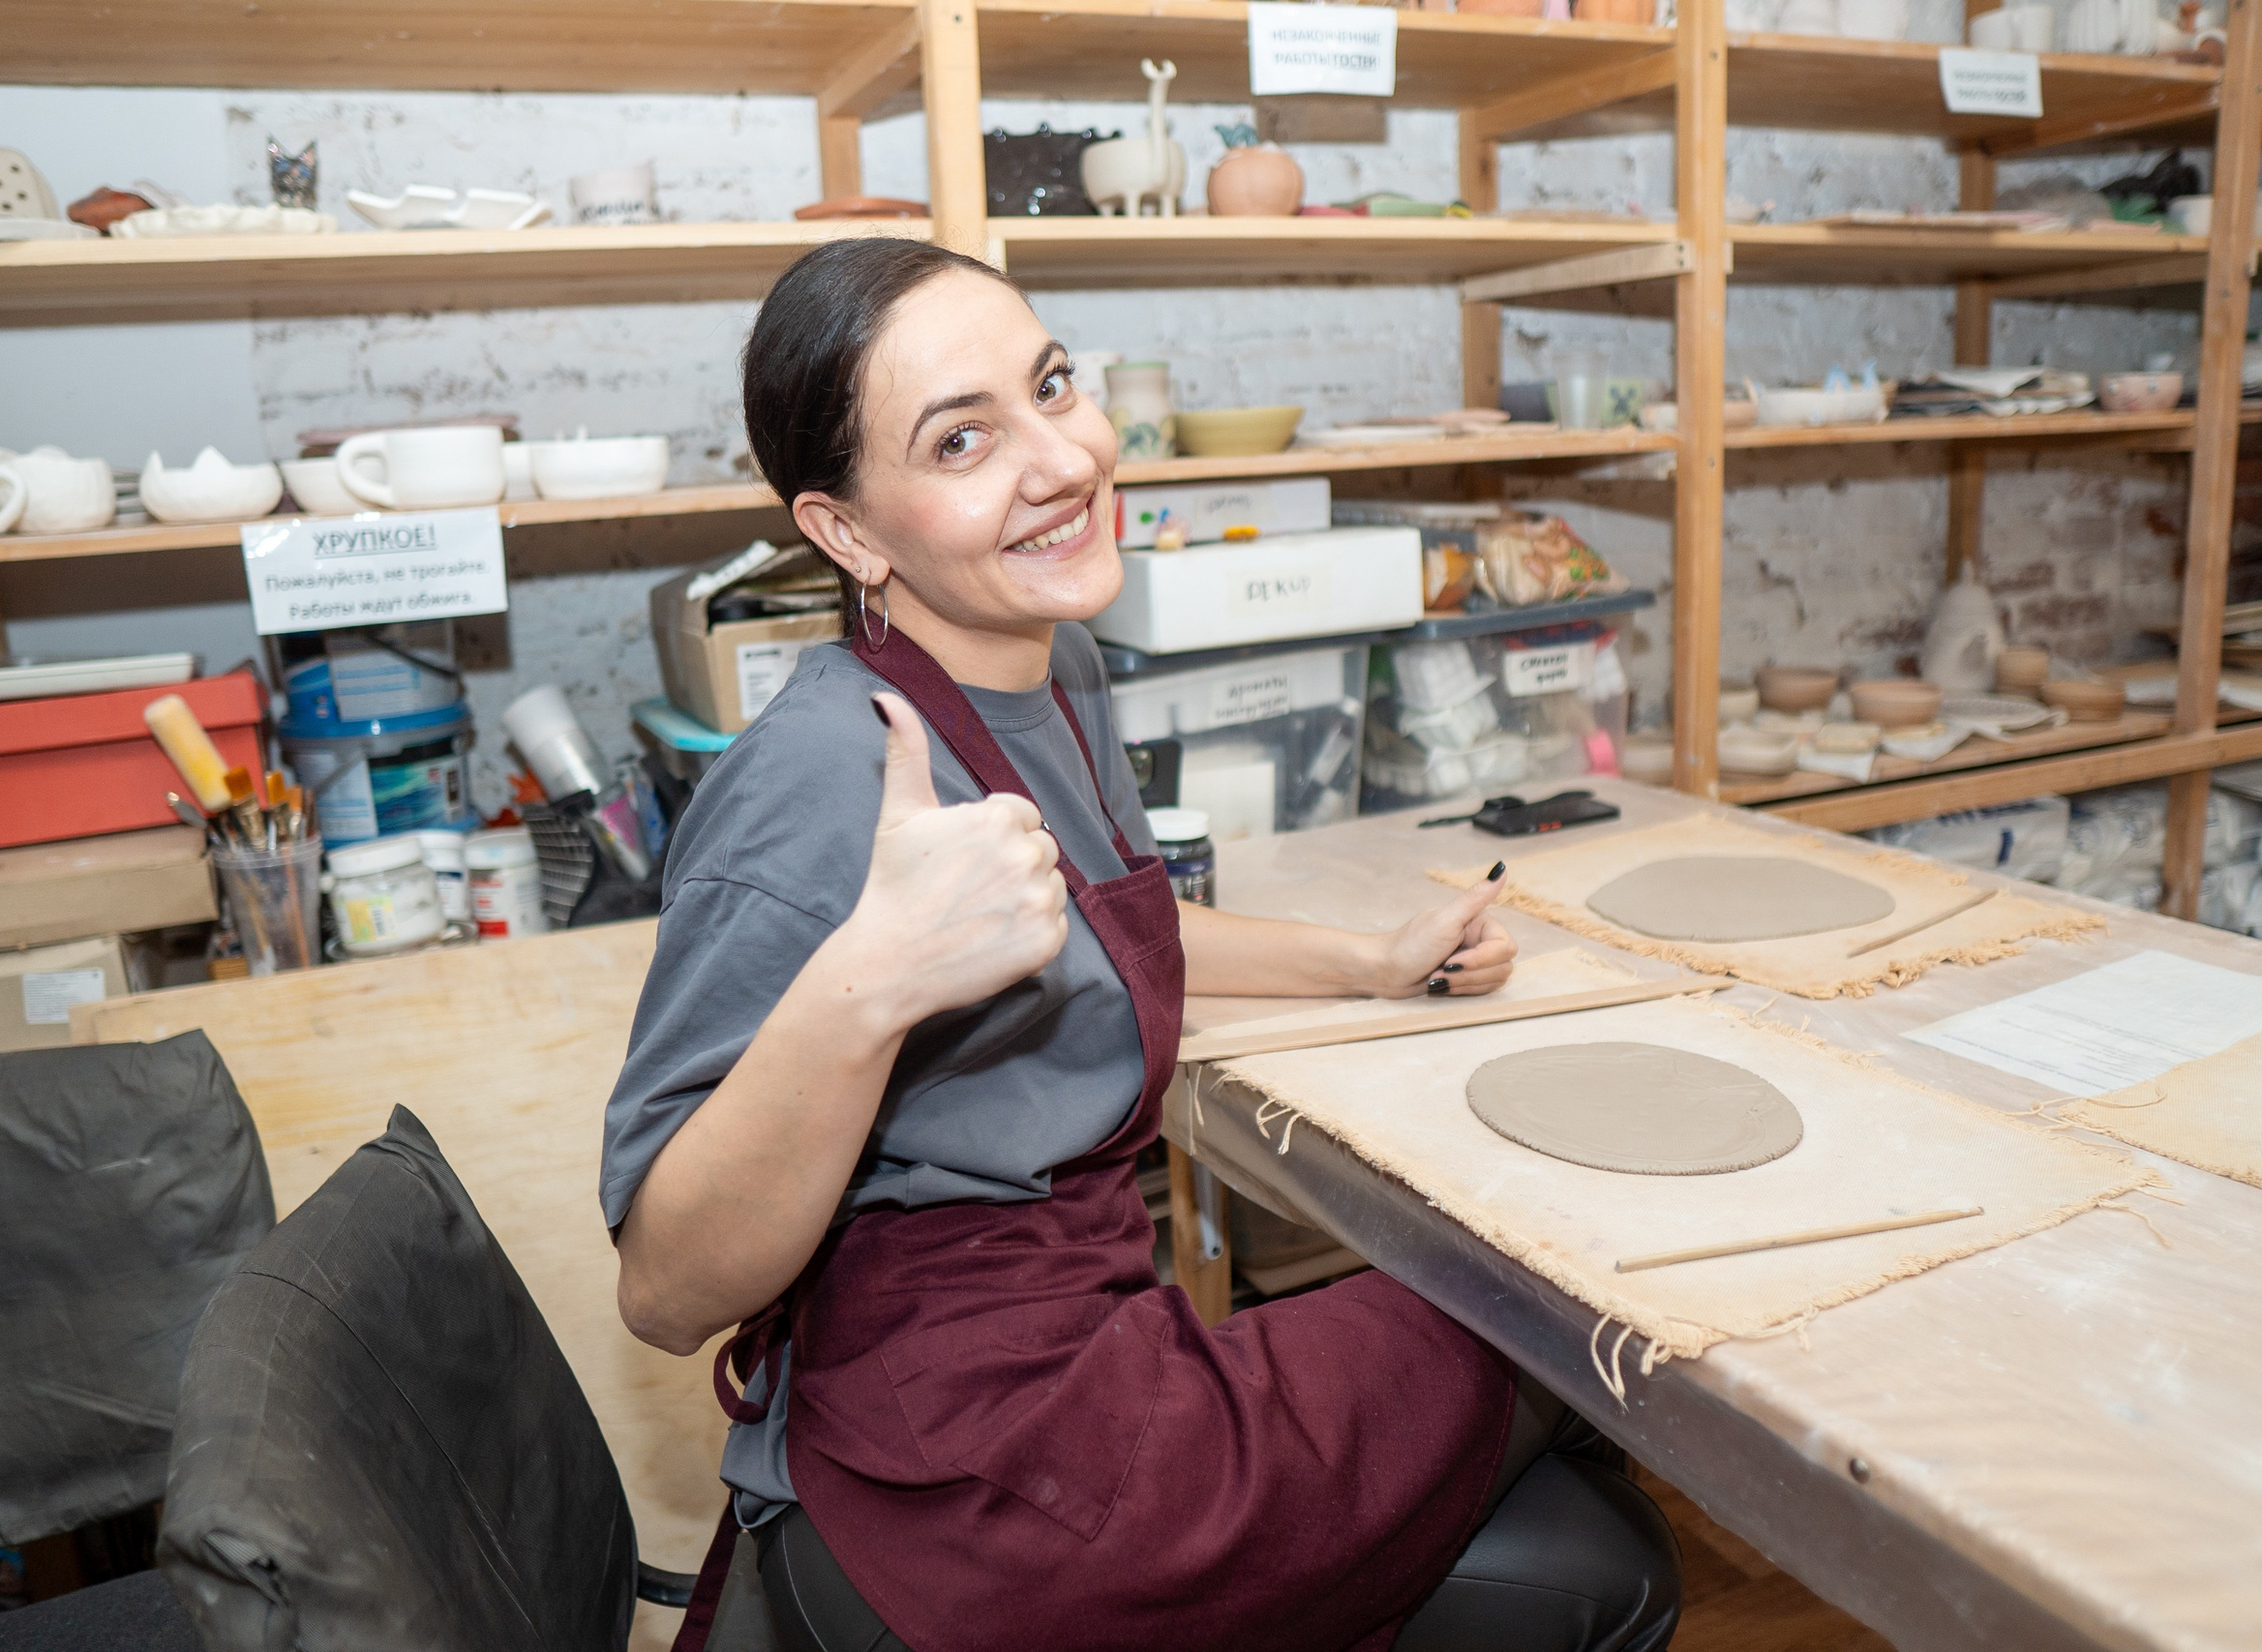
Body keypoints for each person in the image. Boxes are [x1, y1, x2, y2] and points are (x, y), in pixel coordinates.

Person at [602, 238, 1680, 1652]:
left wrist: (1369, 960)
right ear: (852, 533)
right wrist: (872, 985)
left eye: (1053, 386)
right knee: (1566, 1319)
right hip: (979, 1457)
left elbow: (1112, 915)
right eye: (963, 438)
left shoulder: (1057, 661)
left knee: (1546, 1356)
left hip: (1096, 1340)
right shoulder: (821, 770)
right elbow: (666, 1290)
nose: (1060, 458)